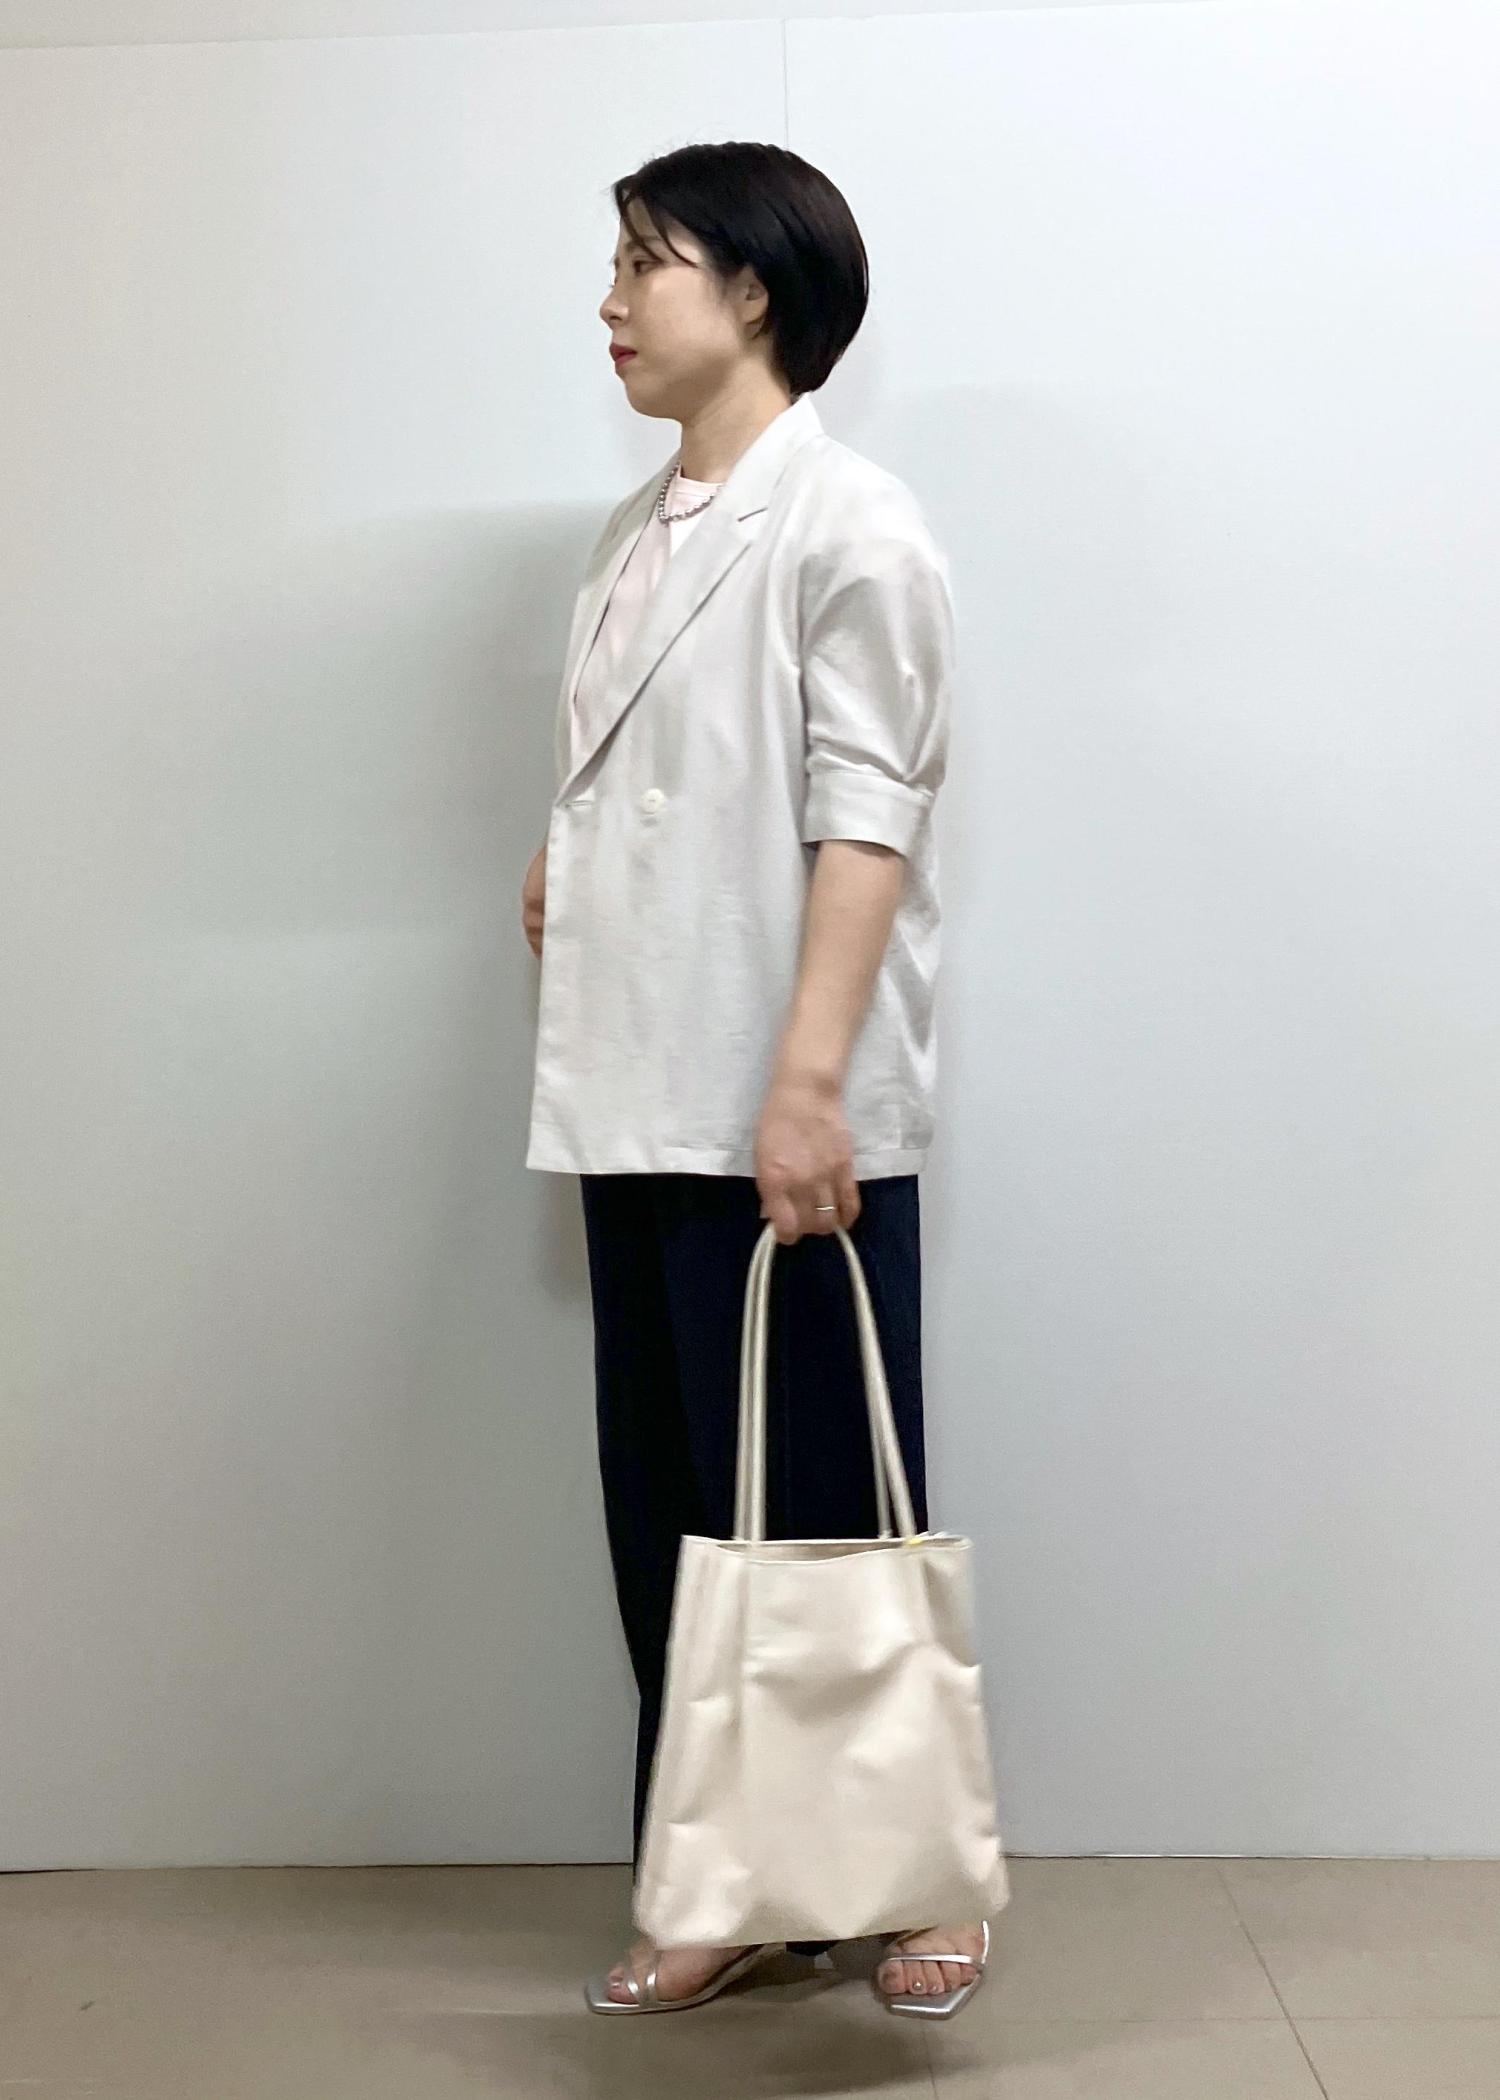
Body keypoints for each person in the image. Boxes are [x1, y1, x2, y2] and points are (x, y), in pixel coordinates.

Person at [520, 140, 988, 2018]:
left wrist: (808, 1086)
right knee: (677, 1517)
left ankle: (920, 1880)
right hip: (636, 1090)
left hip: (779, 1099)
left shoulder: (852, 524)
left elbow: (867, 821)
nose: (613, 300)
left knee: (830, 1508)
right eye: (619, 263)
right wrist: (568, 861)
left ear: (756, 294)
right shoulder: (632, 536)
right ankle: (723, 1881)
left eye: (648, 262)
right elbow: (659, 773)